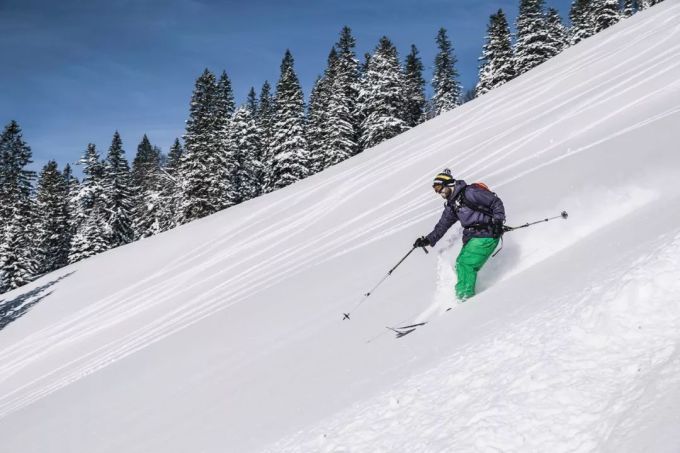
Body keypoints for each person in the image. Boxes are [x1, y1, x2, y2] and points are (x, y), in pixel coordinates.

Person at [414, 169, 506, 302]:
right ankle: (468, 295)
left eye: (439, 187)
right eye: (436, 190)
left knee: (464, 264)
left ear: (449, 184)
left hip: (487, 234)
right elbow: (442, 226)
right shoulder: (452, 205)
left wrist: (498, 222)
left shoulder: (470, 193)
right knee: (461, 264)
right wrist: (427, 240)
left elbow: (495, 202)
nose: (439, 192)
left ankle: (465, 300)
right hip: (473, 237)